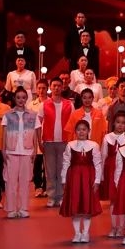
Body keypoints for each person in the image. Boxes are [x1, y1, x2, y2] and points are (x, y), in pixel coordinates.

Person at [59, 120, 102, 243]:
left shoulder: (94, 145)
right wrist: (64, 179)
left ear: (88, 131)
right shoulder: (70, 145)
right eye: (78, 130)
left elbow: (98, 164)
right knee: (75, 206)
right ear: (75, 132)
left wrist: (97, 180)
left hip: (88, 179)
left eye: (84, 129)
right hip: (74, 179)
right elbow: (66, 163)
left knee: (87, 206)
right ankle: (77, 233)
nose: (81, 132)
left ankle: (85, 232)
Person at [1, 87, 37, 219]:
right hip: (11, 151)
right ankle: (11, 209)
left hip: (27, 151)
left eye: (23, 97)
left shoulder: (33, 115)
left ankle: (23, 208)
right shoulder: (8, 115)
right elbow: (4, 134)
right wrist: (3, 149)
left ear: (26, 99)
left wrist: (35, 149)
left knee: (25, 182)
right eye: (18, 97)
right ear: (14, 99)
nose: (21, 100)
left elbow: (35, 134)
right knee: (10, 181)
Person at [38, 78, 73, 208]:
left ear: (62, 87)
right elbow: (38, 124)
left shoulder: (69, 104)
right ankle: (51, 196)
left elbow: (73, 124)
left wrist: (72, 142)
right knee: (50, 171)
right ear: (50, 87)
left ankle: (62, 196)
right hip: (49, 142)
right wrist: (39, 141)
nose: (57, 88)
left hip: (64, 142)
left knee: (62, 170)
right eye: (54, 85)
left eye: (59, 85)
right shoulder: (44, 104)